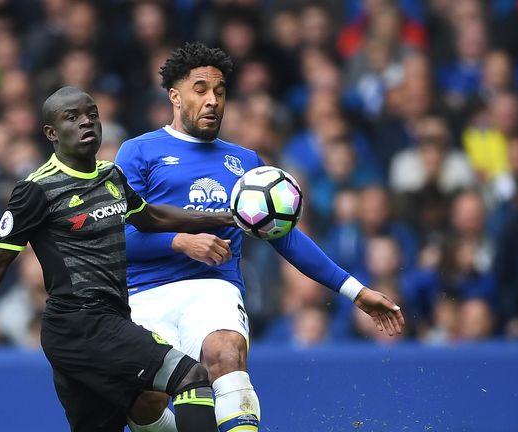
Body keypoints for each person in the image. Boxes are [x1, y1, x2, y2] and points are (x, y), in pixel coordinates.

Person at [0, 86, 237, 432]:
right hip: (79, 322)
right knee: (192, 376)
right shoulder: (36, 189)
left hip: (105, 319)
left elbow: (150, 218)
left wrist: (222, 218)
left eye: (92, 115)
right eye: (72, 117)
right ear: (51, 133)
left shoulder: (111, 176)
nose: (86, 123)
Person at [115, 42, 405, 432]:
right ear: (175, 95)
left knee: (224, 351)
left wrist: (355, 291)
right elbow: (118, 237)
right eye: (200, 89)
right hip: (146, 292)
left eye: (219, 91)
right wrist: (181, 241)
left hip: (212, 287)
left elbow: (284, 236)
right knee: (143, 401)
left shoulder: (246, 163)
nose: (212, 100)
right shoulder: (138, 152)